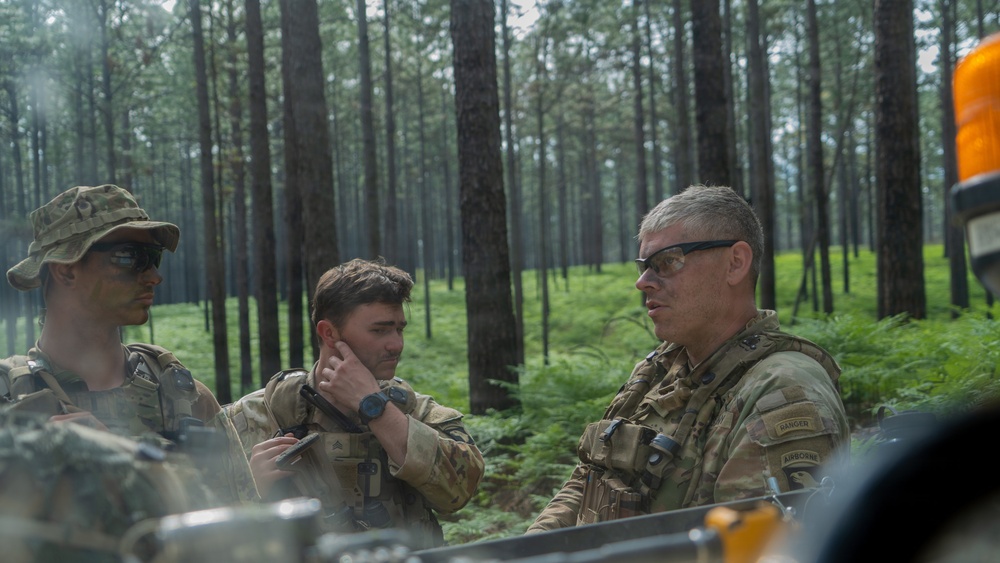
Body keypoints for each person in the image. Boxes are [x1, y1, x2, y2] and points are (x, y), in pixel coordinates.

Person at [527, 185, 850, 533]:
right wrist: (531, 546)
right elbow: (590, 477)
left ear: (735, 263)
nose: (642, 282)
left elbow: (756, 549)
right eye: (643, 266)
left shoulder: (784, 393)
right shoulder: (661, 368)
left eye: (667, 261)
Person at [0, 184, 258, 505]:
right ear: (66, 271)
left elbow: (240, 525)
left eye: (153, 258)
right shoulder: (10, 401)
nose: (153, 276)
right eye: (129, 257)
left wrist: (124, 459)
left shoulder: (185, 399)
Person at [224, 258, 484, 549]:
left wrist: (374, 407)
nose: (396, 344)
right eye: (380, 330)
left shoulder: (414, 411)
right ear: (329, 333)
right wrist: (254, 492)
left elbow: (460, 492)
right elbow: (209, 537)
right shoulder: (252, 417)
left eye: (399, 329)